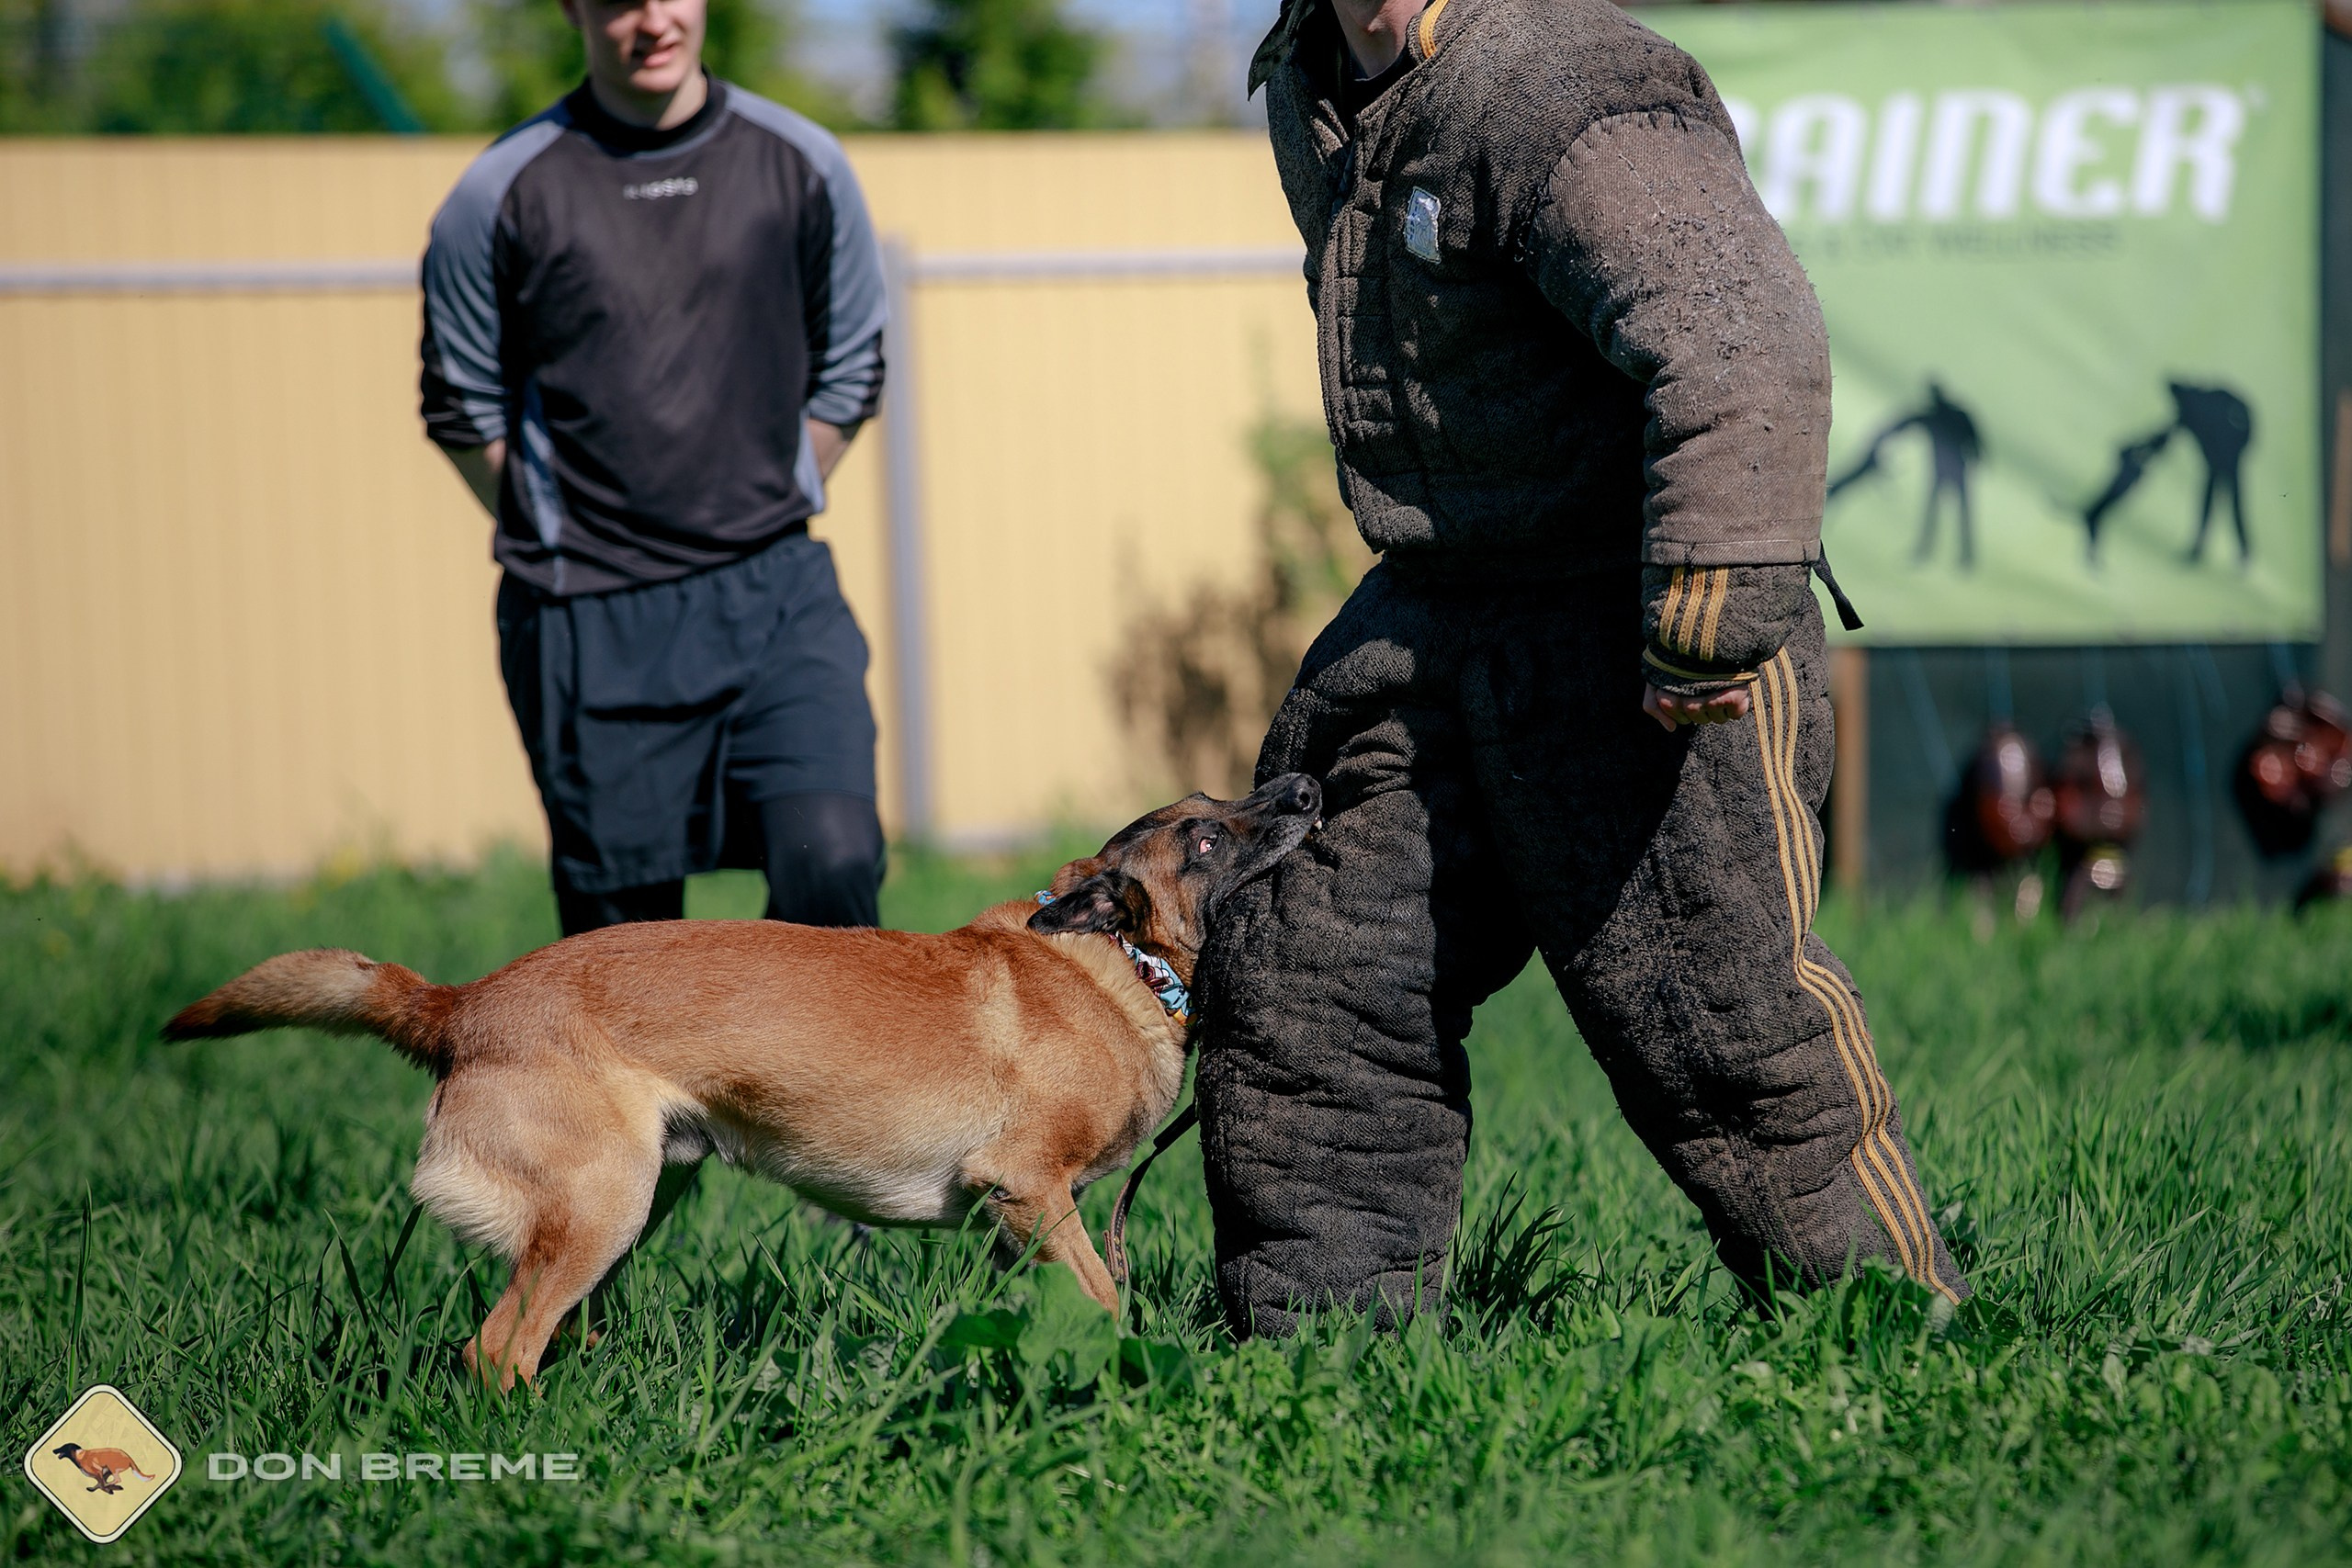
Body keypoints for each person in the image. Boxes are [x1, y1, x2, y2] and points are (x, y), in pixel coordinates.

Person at [1196, 0, 1972, 1337]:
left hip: (1646, 614)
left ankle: (1905, 1341)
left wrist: (1706, 611)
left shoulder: (1563, 84)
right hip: (1439, 609)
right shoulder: (1309, 85)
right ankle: (1323, 1367)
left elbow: (1743, 342)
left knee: (1720, 1028)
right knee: (1308, 967)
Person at [418, 0, 889, 937]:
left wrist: (773, 486)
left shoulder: (800, 162)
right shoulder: (500, 191)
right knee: (622, 957)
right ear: (574, 9)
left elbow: (852, 367)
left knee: (831, 862)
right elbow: (460, 407)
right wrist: (562, 523)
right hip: (587, 616)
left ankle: (786, 1087)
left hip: (774, 597)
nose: (653, 19)